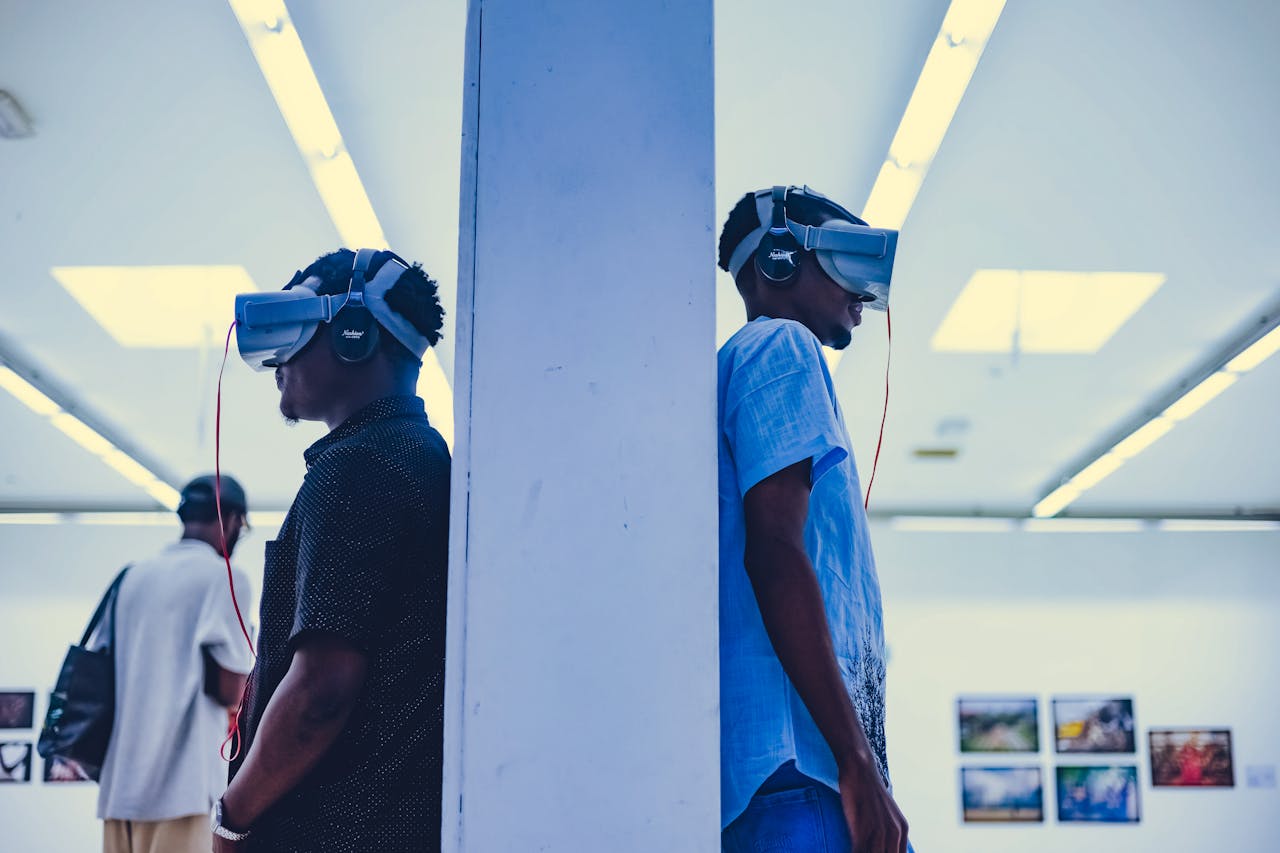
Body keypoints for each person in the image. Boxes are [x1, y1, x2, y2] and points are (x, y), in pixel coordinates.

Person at [215, 249, 450, 852]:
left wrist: (232, 819)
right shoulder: (412, 455)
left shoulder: (359, 467)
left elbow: (321, 690)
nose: (277, 359)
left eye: (297, 325)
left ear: (354, 334)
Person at [716, 186, 912, 853]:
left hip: (787, 779)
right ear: (778, 261)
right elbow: (773, 549)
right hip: (807, 774)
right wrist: (857, 762)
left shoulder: (744, 363)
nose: (864, 293)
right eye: (850, 260)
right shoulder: (780, 349)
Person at [97, 474, 254, 853]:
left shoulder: (131, 577)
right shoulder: (224, 578)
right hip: (184, 786)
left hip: (120, 789)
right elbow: (231, 690)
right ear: (231, 519)